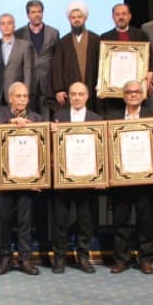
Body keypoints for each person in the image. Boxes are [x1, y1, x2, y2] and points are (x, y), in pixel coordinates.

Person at [0, 82, 45, 275]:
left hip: (27, 179)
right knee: (5, 219)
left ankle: (25, 260)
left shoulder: (36, 118)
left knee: (25, 221)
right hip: (5, 177)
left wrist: (40, 179)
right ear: (10, 98)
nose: (22, 100)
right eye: (18, 96)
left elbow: (44, 147)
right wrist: (8, 124)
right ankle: (5, 259)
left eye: (25, 96)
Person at [105, 80, 153, 274]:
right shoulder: (112, 117)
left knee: (145, 221)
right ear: (123, 95)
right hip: (120, 179)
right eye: (129, 92)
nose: (133, 95)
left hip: (145, 179)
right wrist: (108, 174)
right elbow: (105, 148)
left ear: (143, 95)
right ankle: (121, 259)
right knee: (120, 222)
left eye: (137, 92)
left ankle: (146, 259)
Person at [49, 82, 101, 274]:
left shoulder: (96, 119)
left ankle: (83, 257)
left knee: (85, 221)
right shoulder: (58, 117)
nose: (77, 97)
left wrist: (101, 175)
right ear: (68, 96)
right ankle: (60, 258)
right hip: (63, 178)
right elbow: (50, 147)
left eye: (80, 94)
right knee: (60, 221)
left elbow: (101, 151)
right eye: (73, 94)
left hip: (87, 178)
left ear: (87, 96)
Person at [50, 1, 102, 114]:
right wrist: (59, 89)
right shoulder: (63, 42)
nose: (76, 20)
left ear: (85, 18)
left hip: (92, 88)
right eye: (73, 17)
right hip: (70, 89)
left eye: (79, 17)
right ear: (69, 19)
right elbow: (57, 67)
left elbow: (102, 65)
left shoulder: (95, 39)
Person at [15, 0, 60, 116]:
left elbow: (57, 60)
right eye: (33, 12)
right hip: (27, 82)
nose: (37, 15)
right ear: (28, 14)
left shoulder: (53, 33)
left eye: (39, 12)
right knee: (29, 117)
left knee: (46, 117)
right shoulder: (19, 33)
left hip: (47, 82)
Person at [0, 13, 34, 104]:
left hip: (17, 92)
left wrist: (26, 91)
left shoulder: (24, 45)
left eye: (9, 23)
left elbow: (27, 70)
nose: (6, 26)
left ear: (14, 26)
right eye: (3, 24)